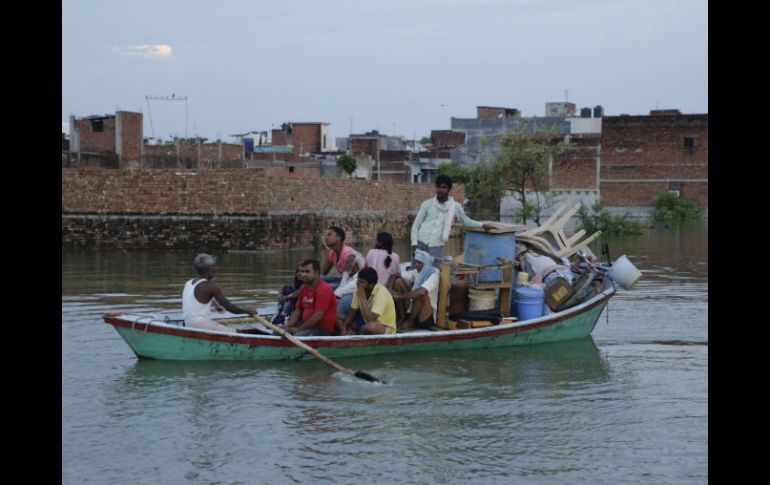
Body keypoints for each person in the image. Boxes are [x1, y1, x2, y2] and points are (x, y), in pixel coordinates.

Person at [411, 174, 495, 263]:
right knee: (414, 272)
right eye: (438, 187)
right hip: (420, 242)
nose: (441, 190)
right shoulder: (427, 204)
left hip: (436, 245)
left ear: (449, 189)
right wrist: (414, 244)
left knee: (433, 272)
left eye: (444, 187)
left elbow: (466, 221)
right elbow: (416, 225)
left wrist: (482, 225)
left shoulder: (455, 206)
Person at [182, 254, 256, 332]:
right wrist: (247, 311)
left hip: (187, 324)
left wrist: (217, 306)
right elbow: (230, 307)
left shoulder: (188, 283)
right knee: (246, 332)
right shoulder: (211, 286)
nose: (215, 270)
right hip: (200, 325)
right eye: (213, 267)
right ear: (208, 269)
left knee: (223, 326)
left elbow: (200, 300)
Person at [392, 249, 441, 332]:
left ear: (426, 264)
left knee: (420, 294)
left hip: (426, 316)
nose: (417, 265)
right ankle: (403, 317)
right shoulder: (417, 272)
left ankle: (409, 322)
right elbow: (396, 275)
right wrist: (390, 289)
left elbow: (422, 292)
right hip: (413, 309)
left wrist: (399, 297)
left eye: (419, 263)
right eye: (416, 262)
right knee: (398, 281)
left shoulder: (434, 273)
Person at [285, 259, 337, 336]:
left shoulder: (324, 290)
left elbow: (318, 316)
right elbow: (298, 311)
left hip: (321, 329)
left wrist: (299, 329)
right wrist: (288, 325)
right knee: (278, 332)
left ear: (317, 273)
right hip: (306, 326)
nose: (303, 274)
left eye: (307, 272)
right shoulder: (304, 288)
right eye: (302, 271)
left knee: (298, 336)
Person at [339, 267, 397, 335]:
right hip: (364, 323)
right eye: (358, 280)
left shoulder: (381, 293)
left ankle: (358, 337)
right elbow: (352, 313)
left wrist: (362, 297)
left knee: (370, 327)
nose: (358, 284)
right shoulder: (359, 291)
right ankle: (352, 336)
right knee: (339, 318)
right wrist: (344, 326)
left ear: (371, 285)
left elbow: (371, 319)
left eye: (362, 282)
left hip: (384, 328)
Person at [334, 251, 366, 331]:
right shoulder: (350, 275)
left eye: (347, 262)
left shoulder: (357, 280)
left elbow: (338, 293)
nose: (344, 264)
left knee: (345, 299)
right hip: (350, 307)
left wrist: (345, 272)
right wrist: (345, 272)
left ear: (355, 265)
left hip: (357, 310)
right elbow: (341, 288)